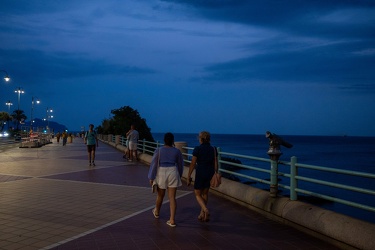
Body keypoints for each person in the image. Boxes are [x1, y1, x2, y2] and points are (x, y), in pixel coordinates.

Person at [148, 132, 183, 227]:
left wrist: (151, 177)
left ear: (164, 140)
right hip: (173, 171)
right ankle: (172, 220)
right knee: (172, 197)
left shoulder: (159, 150)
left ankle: (157, 212)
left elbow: (154, 164)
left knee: (160, 195)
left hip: (162, 172)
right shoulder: (177, 151)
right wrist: (179, 175)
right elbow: (180, 165)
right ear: (172, 141)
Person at [187, 131, 218, 222]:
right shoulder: (213, 149)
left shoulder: (197, 149)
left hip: (200, 172)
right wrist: (215, 173)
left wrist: (189, 175)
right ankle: (202, 214)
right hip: (210, 173)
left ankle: (205, 209)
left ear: (201, 139)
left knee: (197, 194)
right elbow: (215, 163)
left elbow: (193, 163)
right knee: (205, 193)